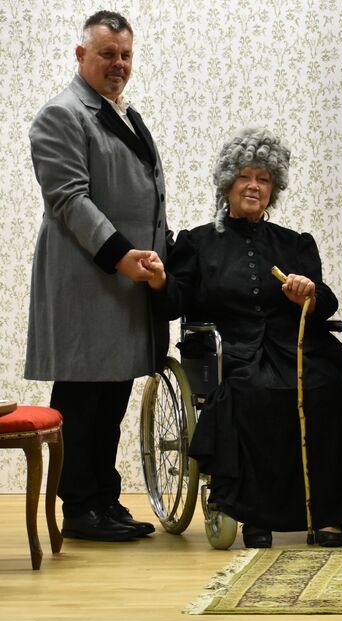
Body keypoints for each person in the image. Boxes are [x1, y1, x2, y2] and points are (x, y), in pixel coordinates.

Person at [147, 128, 342, 548]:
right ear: (228, 183)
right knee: (251, 392)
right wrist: (161, 280)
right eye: (244, 177)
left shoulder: (295, 243)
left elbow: (325, 301)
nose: (253, 186)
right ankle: (256, 515)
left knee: (327, 386)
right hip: (232, 351)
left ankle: (329, 512)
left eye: (264, 179)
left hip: (297, 347)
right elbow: (176, 302)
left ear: (274, 188)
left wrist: (308, 293)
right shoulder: (197, 243)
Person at [26, 11, 167, 542]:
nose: (119, 64)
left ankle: (103, 499)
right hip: (89, 279)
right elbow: (69, 199)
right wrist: (121, 254)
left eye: (125, 54)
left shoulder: (124, 113)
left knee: (112, 396)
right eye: (108, 53)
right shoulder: (62, 114)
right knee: (84, 397)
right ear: (81, 54)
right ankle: (80, 508)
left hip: (124, 279)